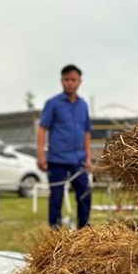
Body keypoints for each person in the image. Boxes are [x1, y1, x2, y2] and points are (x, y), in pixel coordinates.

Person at [37, 64, 92, 230]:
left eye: (73, 80)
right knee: (56, 197)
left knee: (85, 193)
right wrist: (40, 154)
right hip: (57, 159)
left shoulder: (83, 105)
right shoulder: (52, 104)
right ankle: (55, 230)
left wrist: (88, 157)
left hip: (78, 159)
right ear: (61, 81)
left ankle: (83, 230)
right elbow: (42, 128)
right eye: (66, 79)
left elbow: (86, 132)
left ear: (79, 81)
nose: (70, 83)